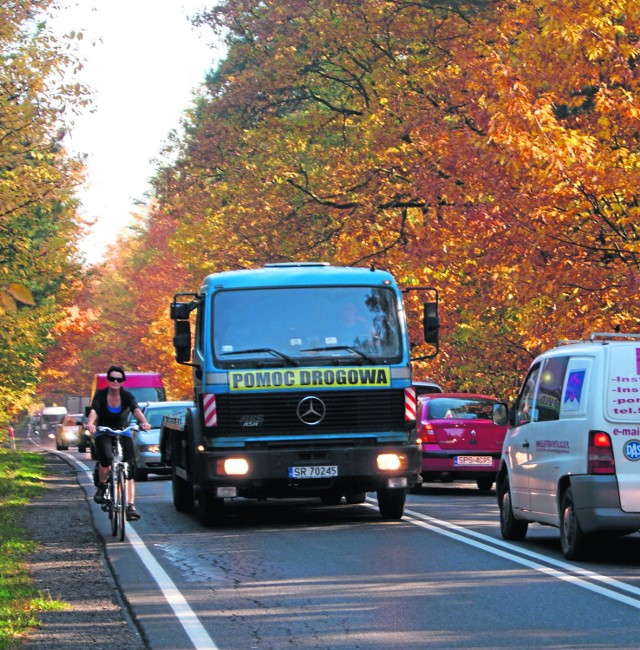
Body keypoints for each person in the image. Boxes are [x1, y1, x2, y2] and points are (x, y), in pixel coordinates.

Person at [86, 365, 151, 521]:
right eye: (112, 379)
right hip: (104, 431)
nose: (115, 381)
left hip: (123, 431)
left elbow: (135, 409)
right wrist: (91, 423)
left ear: (123, 381)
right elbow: (94, 410)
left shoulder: (127, 395)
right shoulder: (101, 395)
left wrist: (144, 422)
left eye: (119, 379)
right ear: (108, 380)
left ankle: (130, 505)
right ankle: (102, 486)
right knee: (106, 458)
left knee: (129, 466)